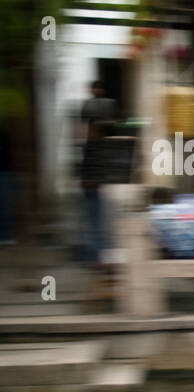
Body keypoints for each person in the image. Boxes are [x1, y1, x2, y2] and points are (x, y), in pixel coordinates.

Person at [78, 81, 118, 262]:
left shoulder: (93, 140)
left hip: (93, 182)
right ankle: (98, 253)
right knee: (98, 218)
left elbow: (89, 162)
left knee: (95, 218)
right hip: (94, 181)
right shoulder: (98, 141)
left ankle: (96, 253)